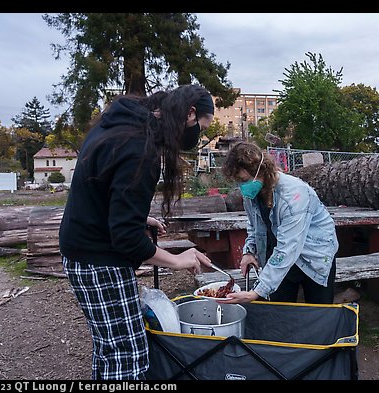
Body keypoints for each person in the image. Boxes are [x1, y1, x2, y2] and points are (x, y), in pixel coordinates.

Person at [59, 84, 215, 380]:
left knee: (110, 348)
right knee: (128, 356)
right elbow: (127, 240)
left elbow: (102, 192)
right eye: (202, 128)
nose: (198, 137)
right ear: (190, 115)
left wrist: (138, 218)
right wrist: (177, 259)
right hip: (98, 260)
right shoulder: (140, 150)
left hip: (82, 249)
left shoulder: (122, 123)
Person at [218, 141, 338, 304]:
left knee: (318, 313)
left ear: (259, 171)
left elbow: (288, 247)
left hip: (315, 253)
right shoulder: (252, 194)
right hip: (280, 254)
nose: (242, 186)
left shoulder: (293, 196)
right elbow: (254, 225)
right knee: (279, 311)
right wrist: (249, 251)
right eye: (238, 181)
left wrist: (257, 292)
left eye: (244, 179)